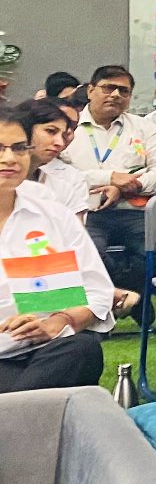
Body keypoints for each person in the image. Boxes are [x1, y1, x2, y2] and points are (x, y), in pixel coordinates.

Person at [0, 110, 114, 392]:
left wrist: (58, 320)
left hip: (45, 350)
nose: (10, 158)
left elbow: (98, 292)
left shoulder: (51, 216)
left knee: (82, 349)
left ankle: (14, 410)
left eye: (19, 148)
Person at [60, 66, 156, 311]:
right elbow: (62, 175)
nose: (115, 95)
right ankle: (120, 301)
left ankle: (125, 293)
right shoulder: (69, 127)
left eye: (123, 91)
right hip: (86, 211)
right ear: (90, 90)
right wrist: (110, 177)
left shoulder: (143, 127)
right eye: (108, 88)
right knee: (86, 253)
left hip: (133, 211)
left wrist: (132, 186)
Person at [17, 98, 89, 217]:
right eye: (50, 131)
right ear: (23, 130)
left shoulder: (63, 189)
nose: (60, 142)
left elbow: (75, 228)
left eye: (63, 135)